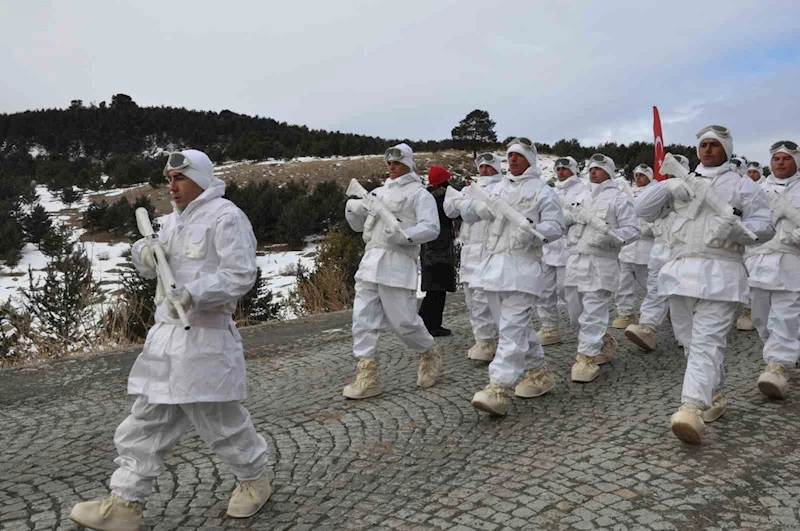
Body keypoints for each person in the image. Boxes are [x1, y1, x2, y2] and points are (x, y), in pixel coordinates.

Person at [69, 150, 272, 531]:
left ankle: (254, 479)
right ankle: (125, 503)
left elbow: (240, 274)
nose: (171, 185)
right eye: (169, 177)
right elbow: (149, 265)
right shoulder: (169, 222)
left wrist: (196, 292)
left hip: (205, 339)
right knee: (145, 421)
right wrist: (144, 252)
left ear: (200, 178)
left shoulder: (226, 216)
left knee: (221, 423)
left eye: (179, 177)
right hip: (165, 340)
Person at [636, 125, 774, 444]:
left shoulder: (742, 186)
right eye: (704, 145)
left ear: (726, 149)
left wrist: (735, 230)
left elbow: (763, 229)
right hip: (680, 272)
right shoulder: (681, 181)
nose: (708, 150)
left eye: (715, 145)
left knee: (706, 341)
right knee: (688, 340)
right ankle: (714, 393)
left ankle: (691, 407)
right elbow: (642, 210)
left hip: (722, 271)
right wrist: (668, 188)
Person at [467, 137, 565, 415]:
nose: (512, 160)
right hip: (493, 267)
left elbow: (557, 227)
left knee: (511, 328)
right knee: (512, 327)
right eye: (509, 156)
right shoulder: (496, 188)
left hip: (523, 268)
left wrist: (535, 228)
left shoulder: (543, 191)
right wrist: (478, 207)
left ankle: (498, 387)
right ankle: (538, 371)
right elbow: (464, 208)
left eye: (518, 156)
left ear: (530, 160)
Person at [342, 143, 442, 399]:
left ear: (408, 163)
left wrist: (405, 235)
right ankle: (367, 375)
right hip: (371, 261)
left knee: (404, 322)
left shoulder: (420, 194)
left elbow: (432, 227)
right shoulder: (377, 192)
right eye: (389, 164)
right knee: (362, 320)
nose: (392, 168)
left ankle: (429, 353)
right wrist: (353, 209)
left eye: (396, 163)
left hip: (398, 264)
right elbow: (357, 226)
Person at [564, 154, 640, 383]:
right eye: (591, 168)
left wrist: (611, 238)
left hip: (601, 261)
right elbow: (562, 218)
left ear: (609, 171)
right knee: (575, 311)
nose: (593, 172)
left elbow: (632, 229)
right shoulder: (578, 194)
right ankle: (602, 339)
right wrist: (568, 218)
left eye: (598, 168)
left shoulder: (619, 198)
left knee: (594, 310)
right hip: (576, 259)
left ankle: (586, 356)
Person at [746, 141, 800, 399]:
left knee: (785, 314)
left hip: (791, 262)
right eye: (776, 158)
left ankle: (778, 365)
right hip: (759, 260)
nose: (780, 162)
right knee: (761, 318)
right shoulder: (757, 190)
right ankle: (783, 351)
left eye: (786, 159)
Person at [626, 156, 690, 351]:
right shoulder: (661, 191)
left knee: (683, 294)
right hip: (660, 246)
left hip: (685, 249)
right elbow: (643, 212)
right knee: (655, 289)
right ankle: (647, 327)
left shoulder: (696, 190)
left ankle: (687, 336)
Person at [443, 153, 503, 361]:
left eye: (488, 166)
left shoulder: (502, 187)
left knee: (491, 297)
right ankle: (483, 339)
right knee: (472, 297)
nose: (484, 170)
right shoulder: (469, 189)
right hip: (469, 249)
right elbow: (450, 208)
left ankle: (504, 338)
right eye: (482, 166)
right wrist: (464, 204)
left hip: (491, 247)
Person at [536, 156, 588, 346]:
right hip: (548, 247)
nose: (561, 172)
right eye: (558, 169)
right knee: (544, 290)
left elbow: (584, 214)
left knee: (568, 291)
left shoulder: (584, 190)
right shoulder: (549, 191)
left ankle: (584, 326)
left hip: (569, 248)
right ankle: (549, 327)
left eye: (565, 169)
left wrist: (567, 217)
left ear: (573, 170)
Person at [612, 164, 656, 330]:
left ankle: (657, 312)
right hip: (627, 248)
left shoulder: (657, 193)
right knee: (623, 282)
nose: (638, 178)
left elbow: (661, 221)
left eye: (642, 175)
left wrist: (646, 230)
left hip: (646, 248)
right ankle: (626, 312)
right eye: (636, 175)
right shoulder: (626, 194)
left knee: (649, 283)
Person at [419, 165, 457, 337]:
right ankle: (432, 325)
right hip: (440, 248)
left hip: (428, 247)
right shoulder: (443, 197)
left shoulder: (426, 196)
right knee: (437, 290)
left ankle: (425, 322)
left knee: (433, 289)